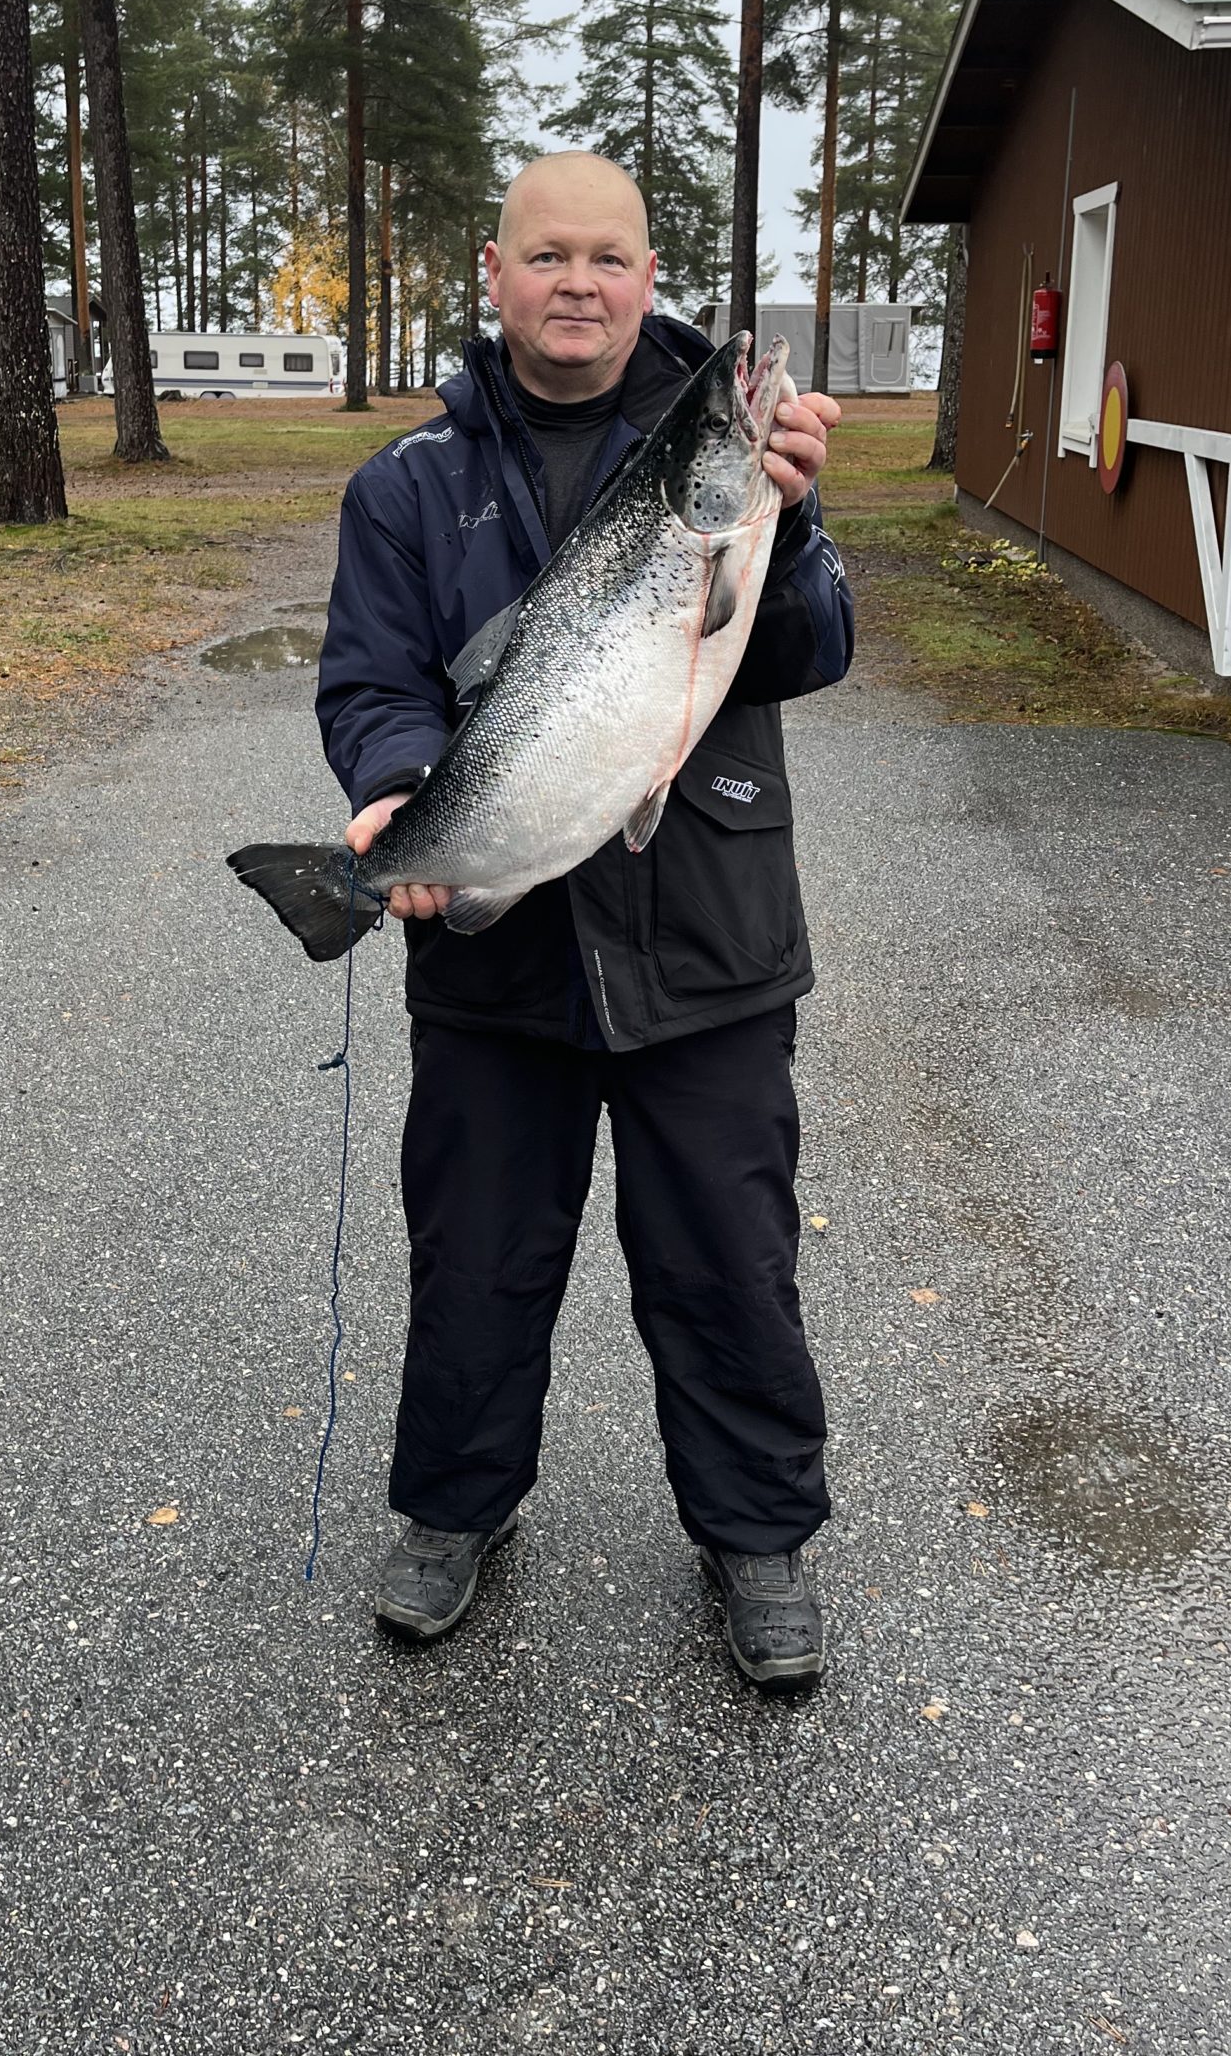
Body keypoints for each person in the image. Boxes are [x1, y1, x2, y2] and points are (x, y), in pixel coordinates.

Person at [314, 152, 853, 1690]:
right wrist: (398, 793)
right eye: (547, 255)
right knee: (476, 1255)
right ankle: (453, 1507)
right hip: (496, 945)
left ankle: (758, 1534)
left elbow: (808, 650)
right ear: (495, 273)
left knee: (729, 1260)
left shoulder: (727, 458)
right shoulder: (412, 484)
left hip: (712, 936)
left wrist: (792, 521)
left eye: (608, 258)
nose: (578, 284)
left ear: (646, 276)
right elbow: (373, 681)